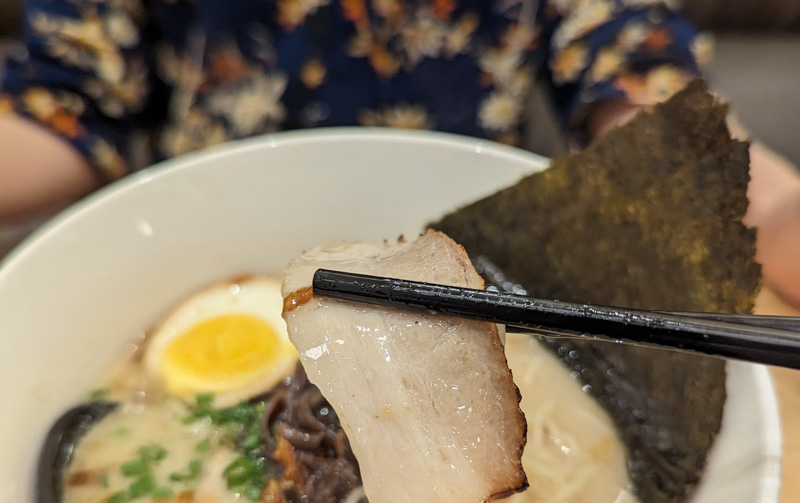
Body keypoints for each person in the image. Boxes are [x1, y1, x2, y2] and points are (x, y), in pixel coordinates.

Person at [1, 0, 798, 304]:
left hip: (470, 271)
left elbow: (632, 74)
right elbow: (66, 101)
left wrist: (771, 207)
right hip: (203, 270)